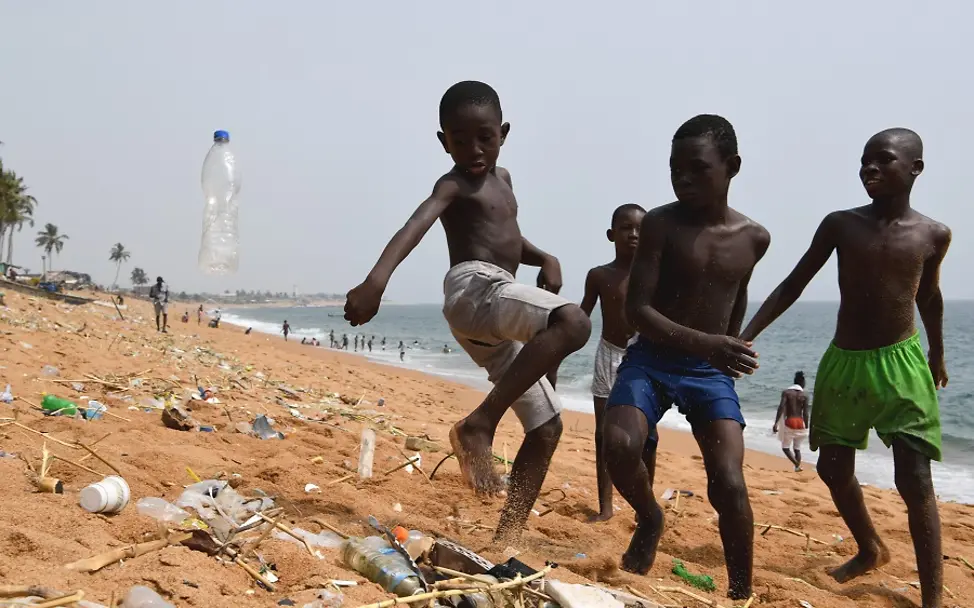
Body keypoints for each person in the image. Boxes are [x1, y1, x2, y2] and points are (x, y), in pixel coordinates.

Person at [344, 80, 591, 542]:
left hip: (491, 313)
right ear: (443, 142)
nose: (474, 149)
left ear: (504, 133)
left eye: (485, 137)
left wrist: (546, 258)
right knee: (572, 320)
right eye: (460, 140)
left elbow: (507, 238)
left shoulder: (505, 181)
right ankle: (480, 423)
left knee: (547, 426)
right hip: (473, 287)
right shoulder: (453, 183)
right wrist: (376, 281)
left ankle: (508, 537)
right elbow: (415, 225)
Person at [740, 128, 950, 608]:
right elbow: (793, 283)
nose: (869, 169)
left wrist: (937, 354)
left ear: (915, 169)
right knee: (834, 469)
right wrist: (749, 332)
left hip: (901, 363)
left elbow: (930, 297)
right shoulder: (840, 224)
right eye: (864, 161)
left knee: (914, 479)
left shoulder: (932, 234)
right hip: (845, 362)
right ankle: (870, 547)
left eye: (884, 160)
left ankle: (934, 597)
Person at [602, 115, 769, 600]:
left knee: (730, 484)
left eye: (697, 168)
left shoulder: (754, 238)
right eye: (676, 169)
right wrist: (709, 343)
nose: (683, 179)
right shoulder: (660, 224)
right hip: (652, 358)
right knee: (618, 442)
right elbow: (638, 311)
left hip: (707, 372)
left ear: (732, 166)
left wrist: (728, 346)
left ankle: (740, 591)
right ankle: (651, 516)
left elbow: (735, 297)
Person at [580, 202, 647, 523]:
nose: (633, 234)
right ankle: (605, 507)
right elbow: (582, 317)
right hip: (608, 355)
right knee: (603, 434)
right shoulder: (599, 276)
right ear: (611, 234)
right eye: (625, 228)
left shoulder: (654, 276)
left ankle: (642, 508)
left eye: (640, 229)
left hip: (643, 356)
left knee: (645, 435)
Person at [773, 371, 809, 472]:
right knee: (797, 448)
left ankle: (797, 464)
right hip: (800, 422)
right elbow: (806, 413)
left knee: (785, 448)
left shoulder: (786, 392)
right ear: (802, 383)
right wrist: (807, 426)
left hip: (790, 421)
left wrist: (776, 423)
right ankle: (797, 468)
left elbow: (781, 407)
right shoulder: (805, 395)